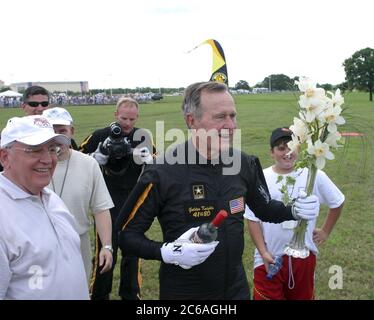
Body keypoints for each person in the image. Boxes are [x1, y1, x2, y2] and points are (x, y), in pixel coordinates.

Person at [115, 81, 320, 300]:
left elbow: (265, 209)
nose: (231, 126)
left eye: (233, 116)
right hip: (184, 293)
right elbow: (126, 234)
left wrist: (293, 211)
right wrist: (167, 251)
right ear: (191, 120)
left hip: (235, 290)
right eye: (220, 117)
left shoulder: (244, 164)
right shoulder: (162, 171)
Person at [245, 127, 345, 300]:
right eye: (281, 148)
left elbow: (337, 201)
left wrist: (325, 231)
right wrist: (263, 252)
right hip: (269, 257)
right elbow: (252, 220)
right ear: (271, 152)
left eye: (291, 147)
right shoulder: (262, 178)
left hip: (303, 257)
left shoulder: (313, 175)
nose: (288, 153)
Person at [0, 115, 89, 299]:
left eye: (51, 149)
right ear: (5, 157)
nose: (48, 160)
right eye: (34, 150)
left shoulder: (51, 198)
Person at [79, 97, 154, 300]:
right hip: (104, 202)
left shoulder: (143, 136)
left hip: (133, 201)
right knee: (105, 248)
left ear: (137, 117)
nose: (127, 123)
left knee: (132, 250)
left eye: (131, 119)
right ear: (115, 115)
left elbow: (158, 164)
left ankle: (131, 294)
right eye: (123, 118)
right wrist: (95, 158)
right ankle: (98, 294)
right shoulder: (99, 135)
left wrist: (150, 159)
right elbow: (76, 158)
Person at [43, 107, 114, 283]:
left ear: (71, 132)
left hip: (78, 243)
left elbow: (101, 208)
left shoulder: (88, 164)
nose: (56, 137)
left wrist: (106, 245)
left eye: (62, 131)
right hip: (40, 243)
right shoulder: (32, 165)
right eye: (51, 131)